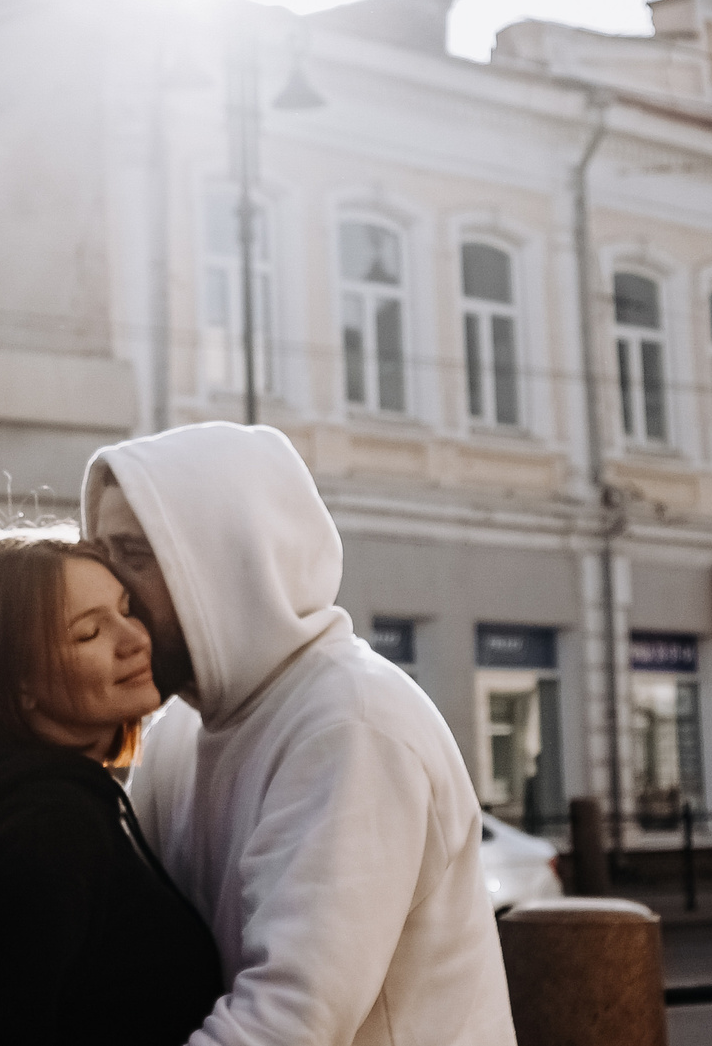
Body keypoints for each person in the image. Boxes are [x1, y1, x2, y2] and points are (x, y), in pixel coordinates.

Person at [87, 421, 515, 1045]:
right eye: (98, 554)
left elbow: (287, 1023)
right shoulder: (180, 725)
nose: (106, 586)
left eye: (133, 555)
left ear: (224, 561)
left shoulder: (350, 721)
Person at [0, 523, 222, 1046]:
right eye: (89, 632)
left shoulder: (15, 800)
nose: (135, 639)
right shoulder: (46, 824)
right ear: (17, 680)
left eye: (128, 609)